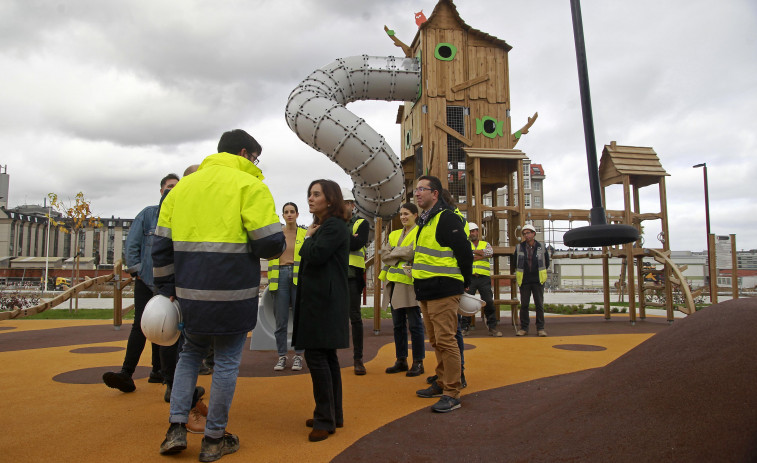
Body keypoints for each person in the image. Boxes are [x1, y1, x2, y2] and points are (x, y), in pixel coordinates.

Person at [153, 129, 285, 461]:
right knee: (226, 362)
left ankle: (176, 429)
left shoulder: (182, 188)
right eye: (254, 157)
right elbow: (270, 244)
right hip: (233, 293)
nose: (255, 163)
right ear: (244, 153)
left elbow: (161, 247)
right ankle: (214, 439)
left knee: (189, 356)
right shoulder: (251, 186)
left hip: (189, 294)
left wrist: (166, 291)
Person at [102, 173, 179, 393]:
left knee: (166, 327)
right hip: (147, 280)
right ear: (161, 190)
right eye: (168, 187)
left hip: (169, 284)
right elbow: (133, 245)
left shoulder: (182, 215)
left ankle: (163, 375)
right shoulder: (147, 215)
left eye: (176, 188)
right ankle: (126, 373)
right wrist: (136, 272)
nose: (172, 191)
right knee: (141, 326)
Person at [292, 179, 350, 442]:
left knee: (317, 357)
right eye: (309, 194)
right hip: (322, 300)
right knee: (326, 358)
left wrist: (306, 239)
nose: (310, 199)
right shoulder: (326, 226)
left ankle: (325, 420)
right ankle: (332, 414)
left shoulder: (334, 226)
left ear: (330, 199)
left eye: (316, 194)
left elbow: (314, 256)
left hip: (323, 302)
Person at [412, 175, 472, 413]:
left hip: (444, 290)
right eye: (415, 190)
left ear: (434, 194)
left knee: (446, 341)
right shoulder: (425, 221)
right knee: (437, 340)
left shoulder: (446, 218)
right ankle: (441, 381)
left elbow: (464, 252)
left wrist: (464, 282)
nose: (416, 194)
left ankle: (452, 392)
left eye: (421, 189)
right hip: (427, 290)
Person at [378, 203, 425, 377]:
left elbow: (412, 252)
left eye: (406, 214)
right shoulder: (394, 234)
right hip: (395, 284)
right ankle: (401, 360)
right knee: (398, 325)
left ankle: (418, 361)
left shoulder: (419, 232)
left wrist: (393, 253)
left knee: (415, 325)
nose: (403, 217)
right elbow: (384, 254)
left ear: (415, 214)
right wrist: (399, 252)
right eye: (401, 214)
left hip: (410, 285)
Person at [268, 202, 307, 371]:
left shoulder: (305, 234)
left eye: (292, 211)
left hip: (299, 279)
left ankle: (298, 355)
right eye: (286, 212)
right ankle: (282, 355)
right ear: (283, 215)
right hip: (280, 276)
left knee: (299, 319)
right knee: (281, 320)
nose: (289, 214)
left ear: (297, 214)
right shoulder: (276, 234)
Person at [342, 188, 369, 375]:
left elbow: (357, 244)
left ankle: (358, 359)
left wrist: (340, 239)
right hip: (334, 276)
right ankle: (330, 358)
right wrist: (348, 238)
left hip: (352, 277)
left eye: (346, 203)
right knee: (333, 318)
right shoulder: (332, 222)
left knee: (355, 317)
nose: (343, 207)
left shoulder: (362, 223)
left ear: (352, 205)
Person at [461, 222, 502, 337]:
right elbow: (465, 256)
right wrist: (482, 255)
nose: (472, 233)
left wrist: (473, 253)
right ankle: (465, 327)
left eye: (474, 231)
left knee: (488, 301)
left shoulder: (485, 243)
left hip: (483, 277)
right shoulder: (465, 244)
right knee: (466, 302)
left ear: (478, 232)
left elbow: (490, 252)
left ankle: (492, 327)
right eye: (470, 231)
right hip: (470, 277)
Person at [514, 223, 550, 337]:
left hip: (538, 280)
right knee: (524, 304)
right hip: (524, 280)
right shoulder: (519, 247)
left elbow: (546, 262)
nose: (526, 235)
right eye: (524, 233)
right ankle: (524, 328)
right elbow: (515, 262)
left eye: (528, 233)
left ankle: (540, 328)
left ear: (534, 234)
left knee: (539, 304)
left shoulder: (541, 247)